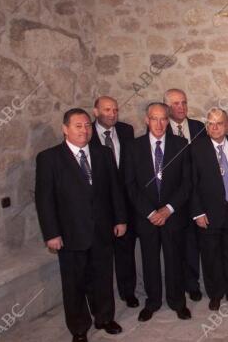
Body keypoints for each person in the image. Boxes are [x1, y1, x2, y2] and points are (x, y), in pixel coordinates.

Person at [35, 108, 126, 342]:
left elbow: (114, 190)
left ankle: (104, 317)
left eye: (87, 125)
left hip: (102, 231)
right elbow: (44, 199)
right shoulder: (49, 158)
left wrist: (120, 219)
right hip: (69, 233)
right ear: (65, 129)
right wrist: (51, 233)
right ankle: (78, 328)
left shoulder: (103, 153)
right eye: (78, 126)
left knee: (103, 278)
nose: (84, 130)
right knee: (74, 284)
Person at [124, 102, 192, 322]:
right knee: (150, 261)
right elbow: (130, 184)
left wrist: (169, 209)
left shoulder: (181, 144)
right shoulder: (133, 147)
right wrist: (151, 212)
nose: (160, 123)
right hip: (147, 218)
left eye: (163, 118)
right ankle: (152, 302)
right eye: (155, 118)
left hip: (173, 216)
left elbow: (187, 182)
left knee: (174, 260)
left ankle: (177, 301)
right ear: (147, 120)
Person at [190, 108, 228, 311]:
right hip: (207, 214)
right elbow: (192, 183)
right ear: (207, 126)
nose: (215, 127)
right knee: (210, 256)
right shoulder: (197, 148)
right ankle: (215, 294)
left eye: (219, 123)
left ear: (227, 125)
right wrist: (197, 212)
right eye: (211, 124)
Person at [90, 96, 138, 309]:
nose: (112, 113)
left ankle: (128, 292)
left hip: (124, 205)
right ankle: (100, 298)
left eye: (115, 109)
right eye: (107, 109)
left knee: (125, 252)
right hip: (98, 208)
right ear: (95, 111)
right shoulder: (86, 133)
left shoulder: (127, 131)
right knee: (99, 258)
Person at [163, 88, 206, 302]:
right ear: (167, 107)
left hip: (196, 196)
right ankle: (176, 285)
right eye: (176, 104)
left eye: (184, 103)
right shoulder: (162, 129)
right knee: (174, 247)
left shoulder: (199, 127)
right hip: (173, 199)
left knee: (193, 245)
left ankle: (193, 283)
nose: (181, 107)